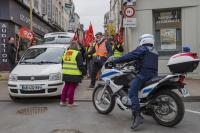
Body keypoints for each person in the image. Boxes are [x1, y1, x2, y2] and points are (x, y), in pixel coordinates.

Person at [111, 34, 158, 129]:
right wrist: (132, 63)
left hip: (143, 74)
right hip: (153, 74)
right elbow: (141, 59)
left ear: (144, 40)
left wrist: (116, 61)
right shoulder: (154, 51)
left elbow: (131, 55)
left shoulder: (143, 48)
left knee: (132, 92)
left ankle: (137, 116)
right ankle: (147, 109)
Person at [61, 41, 86, 107]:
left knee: (66, 86)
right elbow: (80, 65)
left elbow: (62, 63)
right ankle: (70, 102)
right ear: (76, 46)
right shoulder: (77, 53)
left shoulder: (65, 52)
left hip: (66, 72)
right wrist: (84, 73)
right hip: (74, 73)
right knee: (72, 88)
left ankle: (63, 101)